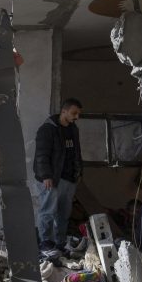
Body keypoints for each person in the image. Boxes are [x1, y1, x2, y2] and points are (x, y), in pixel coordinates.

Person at [33, 97, 84, 255]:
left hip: (69, 179)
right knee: (48, 211)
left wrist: (79, 172)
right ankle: (46, 243)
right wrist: (46, 175)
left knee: (63, 214)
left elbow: (77, 153)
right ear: (64, 111)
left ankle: (60, 242)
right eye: (74, 113)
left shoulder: (73, 129)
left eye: (78, 114)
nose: (77, 117)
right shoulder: (48, 129)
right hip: (52, 179)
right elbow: (42, 154)